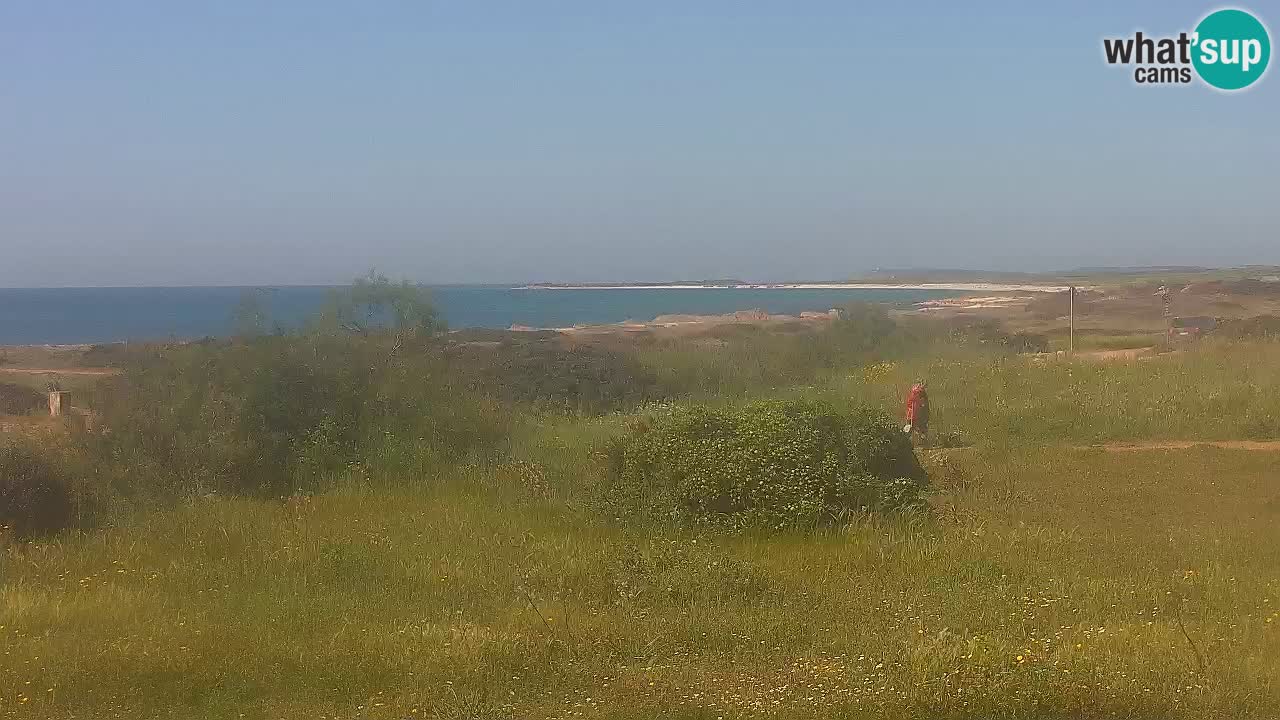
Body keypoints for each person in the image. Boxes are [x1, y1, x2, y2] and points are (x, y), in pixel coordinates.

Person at [905, 379, 929, 447]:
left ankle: (906, 442)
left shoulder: (913, 393)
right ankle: (923, 444)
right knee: (922, 429)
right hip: (919, 415)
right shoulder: (922, 394)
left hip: (910, 415)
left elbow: (909, 404)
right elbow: (924, 406)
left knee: (910, 428)